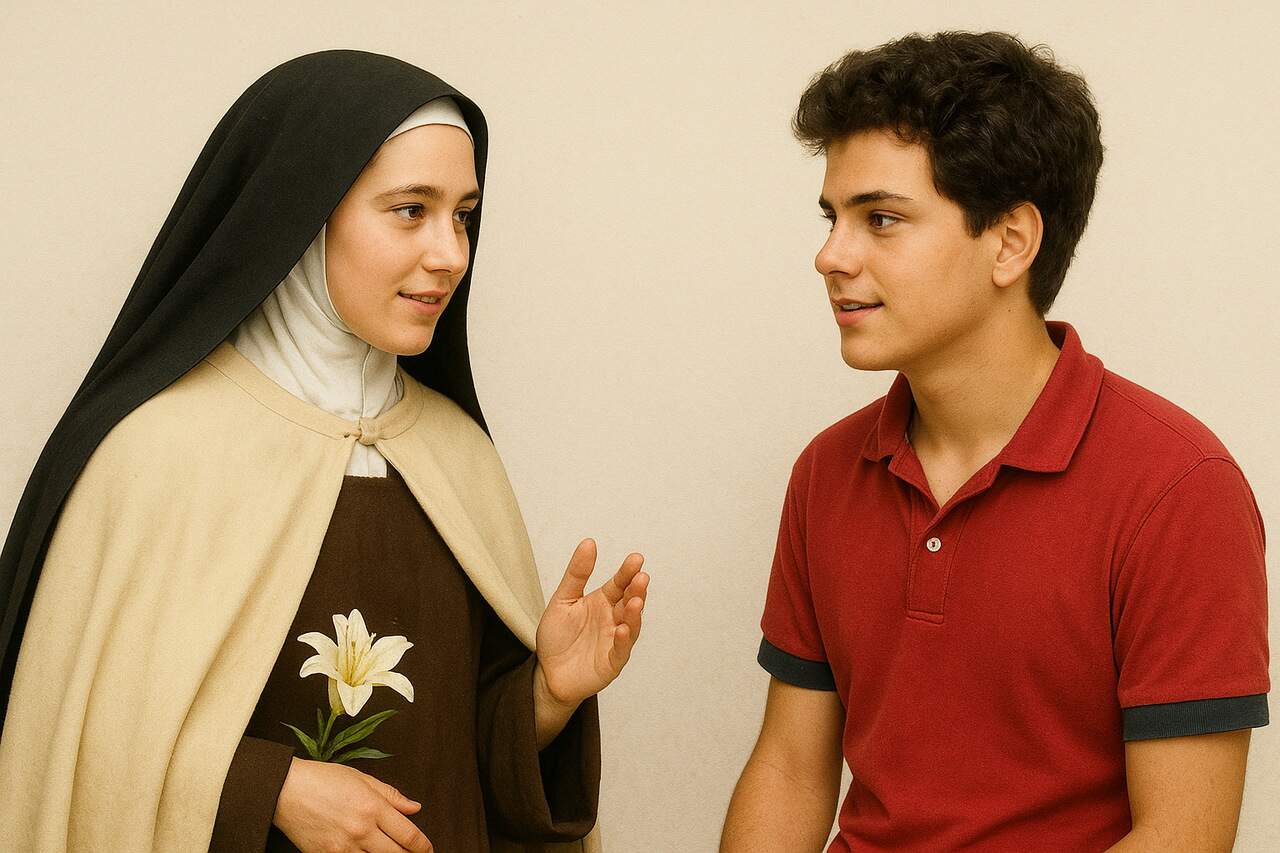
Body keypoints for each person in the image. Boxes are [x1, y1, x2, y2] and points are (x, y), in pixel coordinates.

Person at [0, 50, 649, 853]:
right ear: (304, 216)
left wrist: (546, 695)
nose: (451, 252)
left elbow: (460, 758)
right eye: (410, 209)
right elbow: (79, 753)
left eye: (462, 214)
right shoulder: (155, 456)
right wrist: (268, 788)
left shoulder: (457, 456)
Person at [721, 31, 1268, 852]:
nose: (829, 255)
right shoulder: (826, 472)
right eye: (834, 218)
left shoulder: (1179, 487)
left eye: (880, 218)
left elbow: (1183, 834)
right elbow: (792, 770)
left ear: (1011, 242)